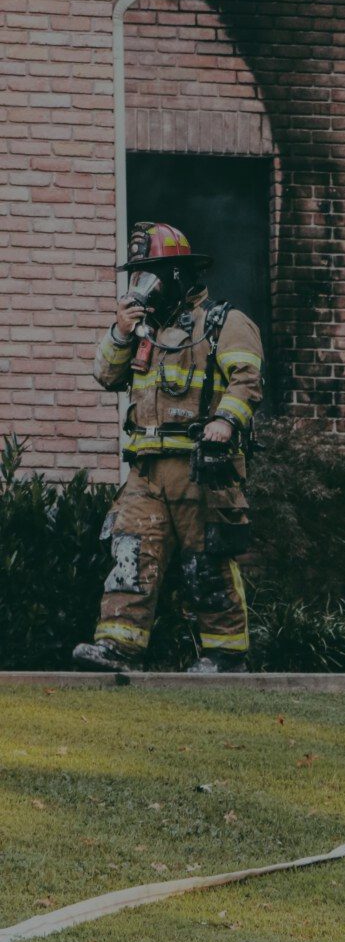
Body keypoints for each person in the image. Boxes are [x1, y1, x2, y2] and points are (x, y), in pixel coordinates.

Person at [72, 222, 264, 674]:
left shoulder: (224, 322)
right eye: (139, 275)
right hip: (146, 470)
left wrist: (224, 419)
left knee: (206, 563)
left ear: (178, 274)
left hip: (202, 469)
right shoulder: (143, 332)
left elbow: (248, 380)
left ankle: (224, 656)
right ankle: (117, 649)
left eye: (153, 274)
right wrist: (121, 332)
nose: (145, 285)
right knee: (130, 554)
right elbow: (105, 375)